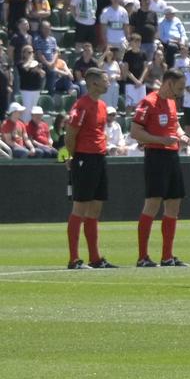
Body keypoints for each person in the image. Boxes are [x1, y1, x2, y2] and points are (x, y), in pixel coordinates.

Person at [132, 69, 188, 267]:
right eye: (179, 87)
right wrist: (160, 140)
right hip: (155, 155)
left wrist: (182, 136)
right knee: (153, 203)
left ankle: (167, 256)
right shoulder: (149, 101)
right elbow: (135, 131)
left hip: (172, 155)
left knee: (174, 203)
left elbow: (176, 125)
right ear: (169, 83)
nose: (181, 92)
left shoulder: (172, 102)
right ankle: (142, 256)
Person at [63, 67, 116, 270]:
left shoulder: (102, 105)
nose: (108, 82)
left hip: (99, 158)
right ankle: (74, 259)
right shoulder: (81, 106)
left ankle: (95, 258)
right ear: (94, 83)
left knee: (95, 208)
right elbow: (70, 135)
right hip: (85, 158)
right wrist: (75, 157)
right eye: (105, 80)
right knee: (80, 207)